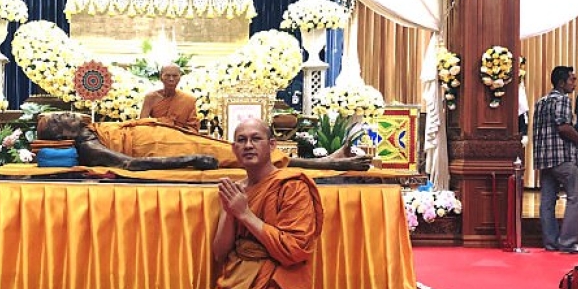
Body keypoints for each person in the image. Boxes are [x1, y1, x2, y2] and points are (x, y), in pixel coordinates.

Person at [173, 117, 324, 289]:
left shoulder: (291, 185)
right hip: (238, 281)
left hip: (277, 282)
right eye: (241, 140)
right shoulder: (237, 190)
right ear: (234, 149)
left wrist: (245, 215)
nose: (248, 145)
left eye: (256, 139)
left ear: (272, 145)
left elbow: (295, 250)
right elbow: (220, 252)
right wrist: (232, 212)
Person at [35, 112, 372, 172]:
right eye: (62, 120)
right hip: (161, 150)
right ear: (63, 136)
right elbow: (131, 164)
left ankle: (327, 161)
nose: (70, 115)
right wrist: (188, 160)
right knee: (241, 154)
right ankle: (328, 163)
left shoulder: (90, 130)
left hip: (161, 136)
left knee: (235, 148)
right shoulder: (89, 146)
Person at [532, 65, 578, 253]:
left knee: (547, 201)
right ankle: (568, 242)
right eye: (572, 79)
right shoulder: (562, 100)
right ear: (561, 83)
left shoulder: (540, 101)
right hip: (563, 157)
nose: (574, 83)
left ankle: (551, 242)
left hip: (544, 158)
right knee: (576, 198)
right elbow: (563, 127)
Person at [139, 63, 200, 132]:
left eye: (175, 76)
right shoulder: (151, 98)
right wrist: (162, 122)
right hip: (157, 136)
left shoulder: (188, 99)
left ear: (180, 78)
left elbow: (193, 127)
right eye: (167, 75)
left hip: (180, 136)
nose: (171, 79)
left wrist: (175, 130)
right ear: (161, 77)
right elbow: (142, 124)